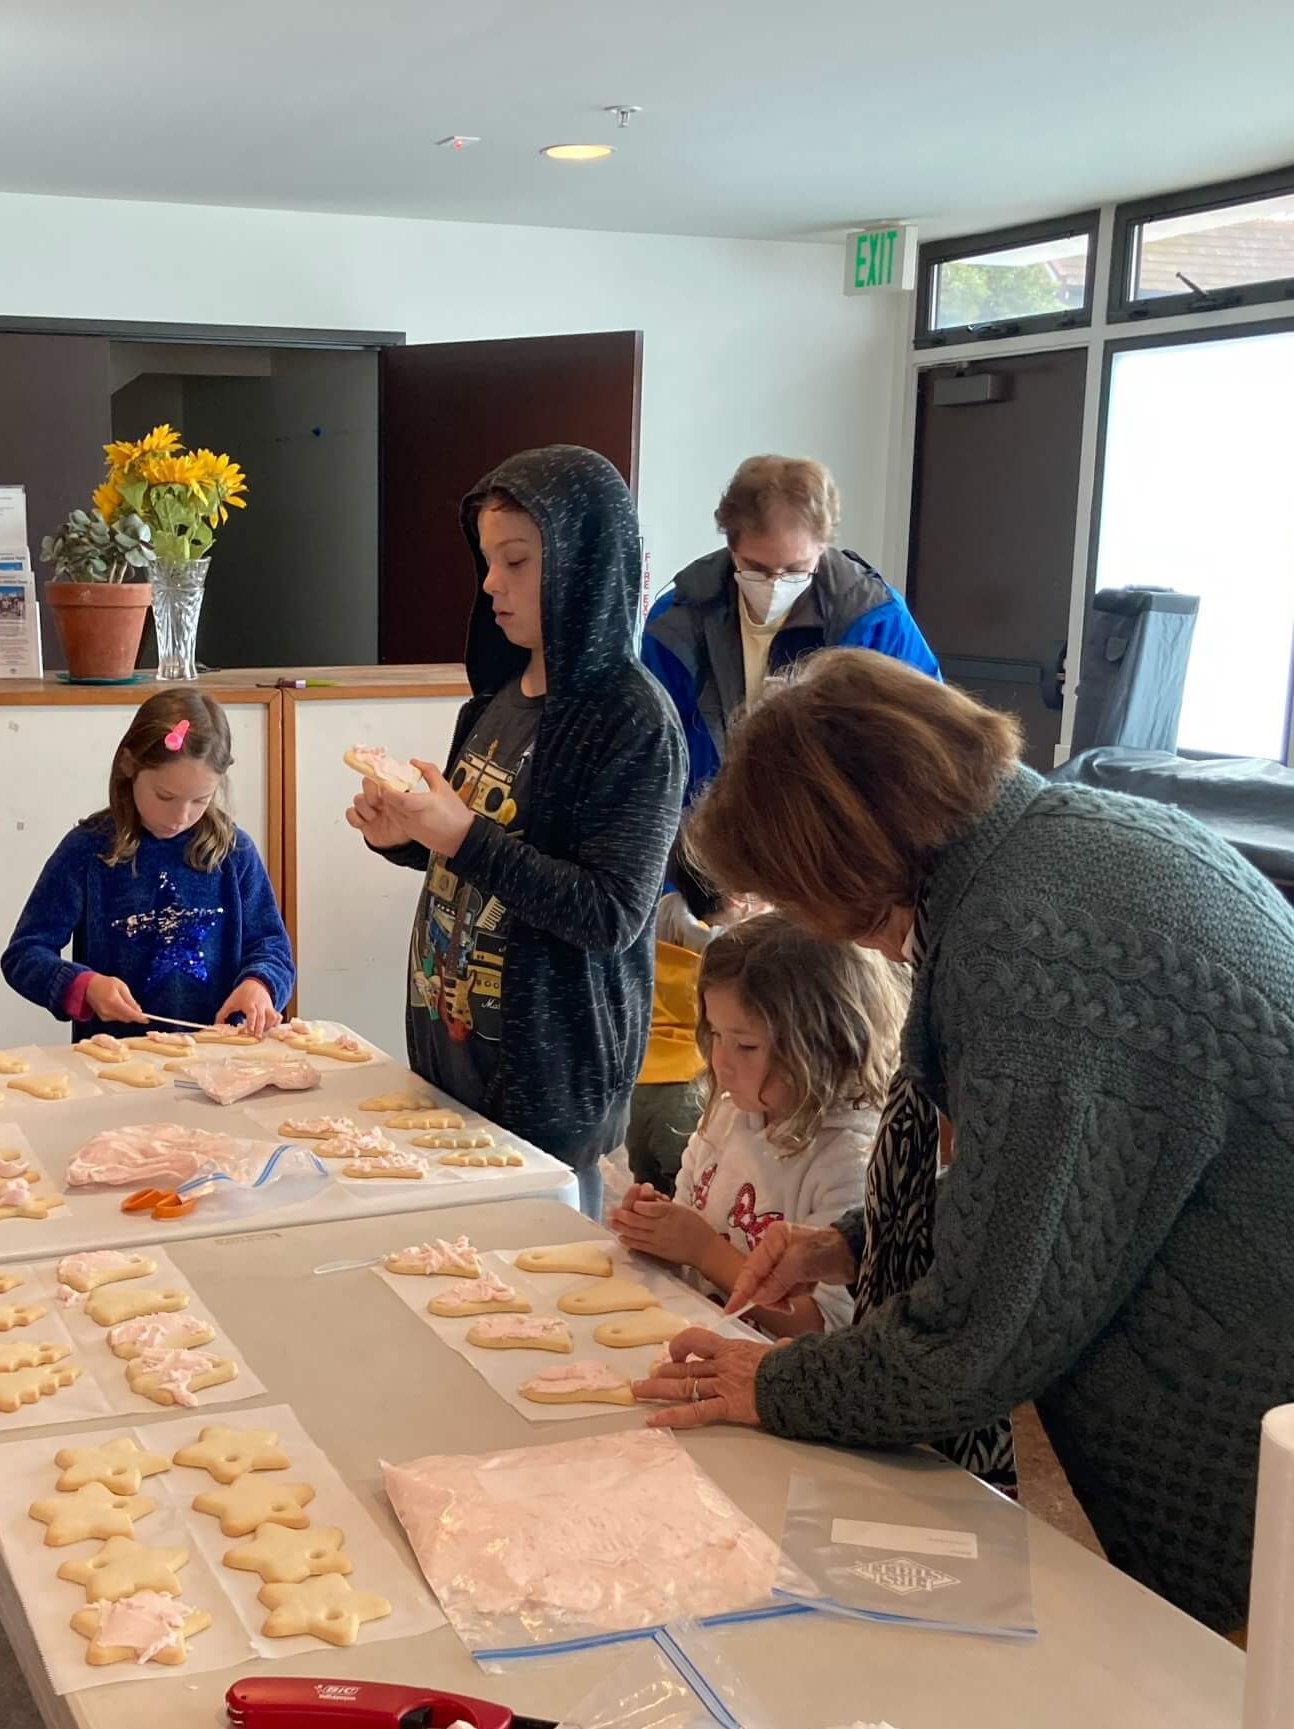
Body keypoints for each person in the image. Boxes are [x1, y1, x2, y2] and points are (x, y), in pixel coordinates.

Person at [636, 648, 1294, 1729]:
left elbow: (993, 1324)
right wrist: (853, 1243)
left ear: (844, 856)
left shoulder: (1025, 941)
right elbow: (1069, 1172)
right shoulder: (1064, 838)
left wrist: (781, 1380)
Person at [348, 446, 685, 1217]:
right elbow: (486, 850)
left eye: (517, 562)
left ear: (585, 562)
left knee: (543, 1301)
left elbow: (609, 912)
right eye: (488, 560)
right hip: (456, 1056)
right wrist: (405, 833)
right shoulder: (495, 701)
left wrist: (460, 835)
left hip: (547, 1085)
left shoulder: (631, 719)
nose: (491, 583)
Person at [608, 912, 901, 1336]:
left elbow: (823, 1328)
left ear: (825, 1044)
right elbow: (688, 1244)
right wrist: (656, 1231)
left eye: (746, 1045)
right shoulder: (729, 1116)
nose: (720, 1063)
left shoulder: (853, 1159)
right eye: (715, 1035)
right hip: (701, 1339)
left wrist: (704, 1251)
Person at [640, 454, 935, 802]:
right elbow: (657, 756)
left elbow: (923, 746)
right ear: (731, 544)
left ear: (822, 546)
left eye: (796, 569)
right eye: (757, 568)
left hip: (832, 833)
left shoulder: (876, 622)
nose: (776, 583)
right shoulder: (676, 623)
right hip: (706, 829)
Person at [2, 688, 295, 1036]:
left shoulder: (233, 851)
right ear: (129, 765)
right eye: (165, 796)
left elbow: (272, 947)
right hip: (115, 1065)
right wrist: (83, 986)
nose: (180, 816)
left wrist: (260, 985)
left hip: (219, 1056)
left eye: (200, 800)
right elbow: (24, 954)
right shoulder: (88, 849)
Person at [626, 839, 741, 1192]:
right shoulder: (726, 947)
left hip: (637, 1084)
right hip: (686, 1085)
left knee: (646, 1194)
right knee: (688, 1196)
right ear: (735, 895)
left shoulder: (660, 913)